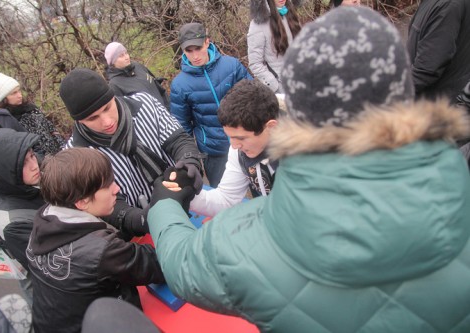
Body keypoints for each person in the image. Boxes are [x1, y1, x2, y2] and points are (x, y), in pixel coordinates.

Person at [147, 6, 470, 332]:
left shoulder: (256, 234)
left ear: (299, 113)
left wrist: (164, 208)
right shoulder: (458, 187)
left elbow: (184, 266)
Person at [26, 148, 165, 333]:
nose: (117, 189)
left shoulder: (44, 218)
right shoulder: (101, 250)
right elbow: (158, 264)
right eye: (107, 186)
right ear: (81, 202)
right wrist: (166, 209)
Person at [61, 68, 202, 238]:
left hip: (181, 199)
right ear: (78, 120)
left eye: (107, 108)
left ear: (113, 95)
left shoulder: (145, 104)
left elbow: (178, 140)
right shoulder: (76, 155)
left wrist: (190, 161)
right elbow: (104, 205)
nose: (107, 122)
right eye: (92, 118)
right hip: (139, 233)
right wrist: (140, 219)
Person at [174, 79, 280, 217]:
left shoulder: (311, 154)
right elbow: (226, 199)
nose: (234, 146)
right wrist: (186, 193)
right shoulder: (239, 151)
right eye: (230, 136)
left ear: (271, 127)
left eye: (241, 138)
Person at [170, 22, 252, 188]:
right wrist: (190, 158)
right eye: (188, 51)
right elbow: (182, 126)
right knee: (226, 204)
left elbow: (253, 99)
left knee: (263, 191)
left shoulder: (231, 65)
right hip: (215, 152)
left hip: (246, 141)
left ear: (207, 42)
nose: (195, 56)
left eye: (198, 48)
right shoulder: (180, 85)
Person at [0, 129, 44, 304]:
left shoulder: (32, 183)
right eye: (23, 163)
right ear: (4, 172)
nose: (34, 165)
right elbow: (52, 268)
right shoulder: (12, 222)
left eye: (31, 155)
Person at [0, 72, 65, 155]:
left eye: (19, 91)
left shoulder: (31, 109)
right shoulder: (6, 120)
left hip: (58, 154)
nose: (20, 95)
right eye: (14, 93)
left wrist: (63, 148)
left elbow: (51, 129)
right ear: (4, 98)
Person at [407, 0, 470, 102]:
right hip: (429, 101)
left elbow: (427, 69)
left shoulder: (447, 6)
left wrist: (397, 91)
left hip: (439, 107)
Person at [247, 0, 301, 93]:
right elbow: (255, 64)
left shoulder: (290, 14)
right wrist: (276, 87)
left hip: (302, 81)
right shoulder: (258, 25)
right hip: (283, 89)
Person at [105, 42, 170, 109]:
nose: (126, 57)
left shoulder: (138, 66)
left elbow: (158, 88)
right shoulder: (115, 85)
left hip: (166, 114)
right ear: (113, 62)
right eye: (121, 56)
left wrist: (168, 107)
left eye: (126, 53)